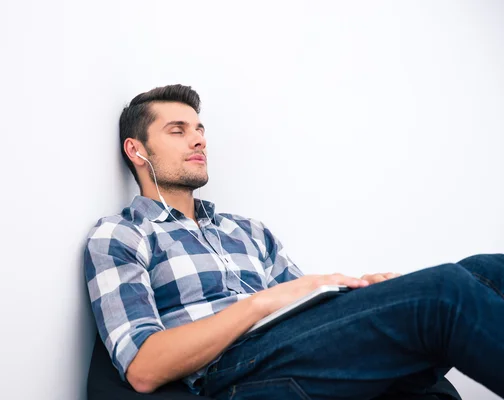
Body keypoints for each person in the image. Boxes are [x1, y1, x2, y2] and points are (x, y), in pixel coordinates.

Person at [84, 84, 504, 399]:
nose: (199, 140)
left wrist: (363, 299)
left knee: (488, 270)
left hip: (293, 345)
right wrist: (262, 302)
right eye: (178, 130)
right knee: (443, 294)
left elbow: (308, 313)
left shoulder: (246, 230)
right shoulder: (122, 234)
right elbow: (143, 366)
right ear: (136, 150)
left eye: (199, 129)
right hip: (234, 371)